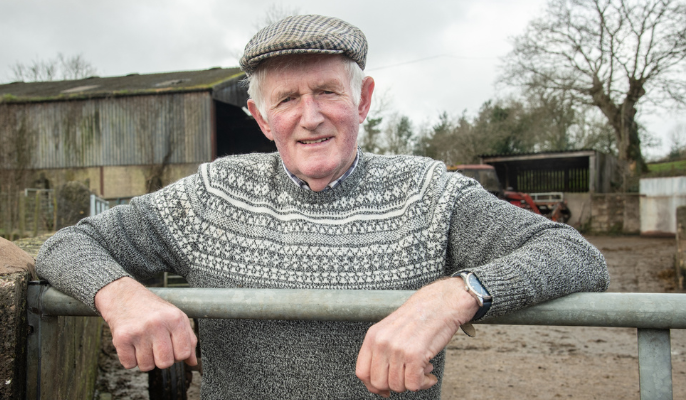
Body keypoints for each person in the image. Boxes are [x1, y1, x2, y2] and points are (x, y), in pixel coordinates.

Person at [36, 14, 609, 399]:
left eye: (328, 92)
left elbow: (573, 253)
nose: (310, 116)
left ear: (362, 100)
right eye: (287, 99)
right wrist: (123, 295)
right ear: (261, 119)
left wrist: (455, 295)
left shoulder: (427, 192)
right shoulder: (210, 194)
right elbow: (66, 244)